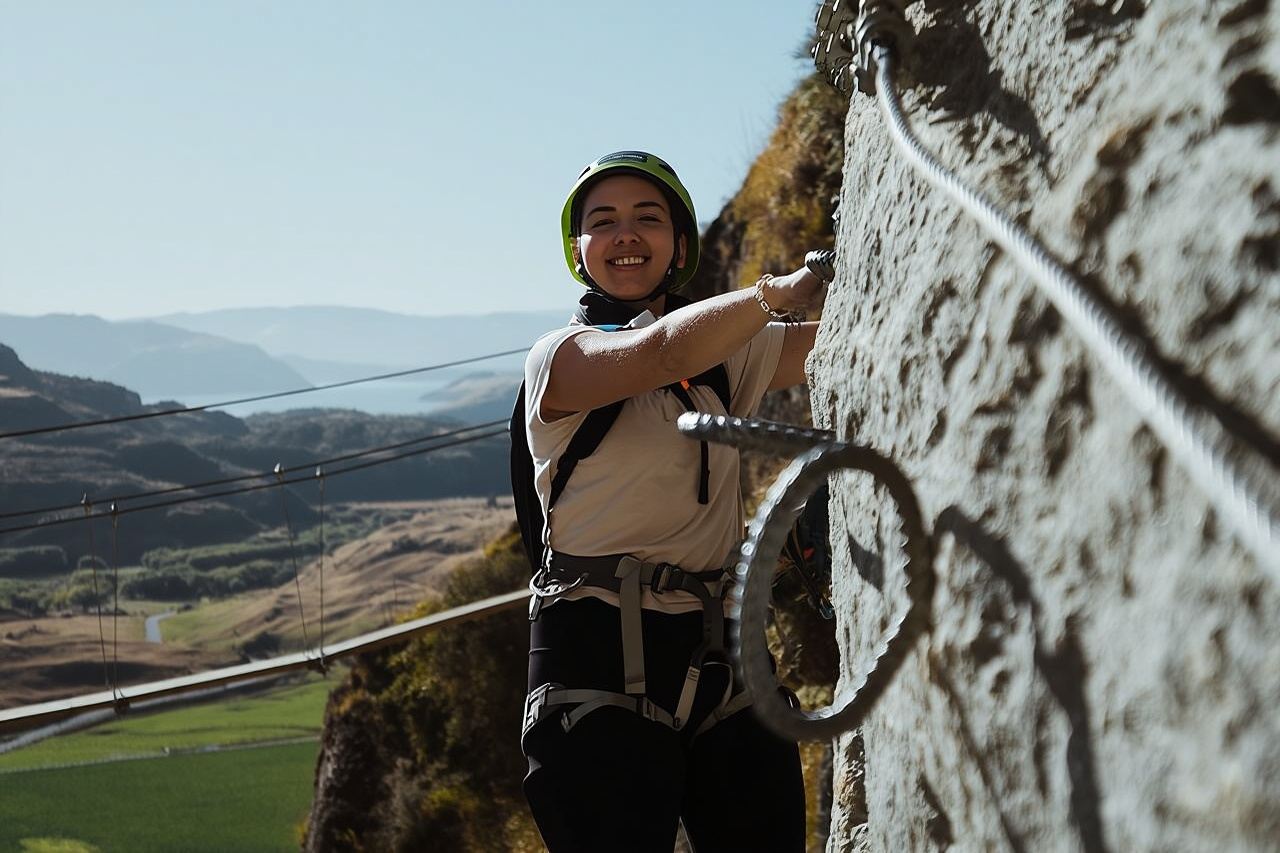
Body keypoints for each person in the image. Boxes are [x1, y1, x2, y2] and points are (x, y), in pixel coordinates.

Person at [518, 150, 826, 852]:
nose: (626, 234)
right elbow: (661, 354)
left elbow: (834, 346)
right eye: (604, 222)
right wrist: (776, 292)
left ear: (679, 245)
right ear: (579, 250)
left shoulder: (724, 357)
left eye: (647, 218)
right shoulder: (559, 358)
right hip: (593, 651)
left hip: (723, 651)